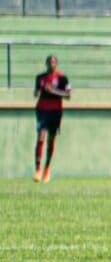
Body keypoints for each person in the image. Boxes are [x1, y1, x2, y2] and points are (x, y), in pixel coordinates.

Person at [33, 54, 71, 183]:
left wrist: (53, 90)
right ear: (46, 63)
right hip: (42, 110)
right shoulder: (40, 77)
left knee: (51, 139)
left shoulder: (62, 78)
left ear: (56, 64)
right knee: (40, 137)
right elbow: (36, 92)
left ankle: (47, 168)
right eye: (49, 62)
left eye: (54, 62)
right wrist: (37, 92)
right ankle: (37, 169)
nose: (51, 64)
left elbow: (68, 95)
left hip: (55, 111)